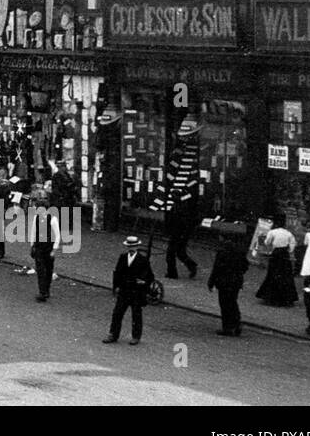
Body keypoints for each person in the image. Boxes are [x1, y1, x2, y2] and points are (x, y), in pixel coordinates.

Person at [160, 117, 200, 280]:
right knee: (180, 250)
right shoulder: (184, 204)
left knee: (172, 251)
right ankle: (191, 265)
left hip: (179, 228)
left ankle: (172, 273)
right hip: (185, 227)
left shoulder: (178, 207)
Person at [103, 235, 155, 345]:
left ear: (137, 247)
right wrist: (115, 287)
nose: (132, 248)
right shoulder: (122, 257)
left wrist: (144, 282)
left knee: (136, 314)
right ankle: (113, 334)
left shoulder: (143, 260)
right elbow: (117, 273)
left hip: (136, 292)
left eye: (134, 246)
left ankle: (136, 336)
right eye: (130, 246)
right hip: (124, 290)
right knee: (117, 313)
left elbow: (150, 277)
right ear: (127, 247)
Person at [208, 235, 249, 336]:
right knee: (233, 302)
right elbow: (245, 265)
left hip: (223, 282)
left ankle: (227, 327)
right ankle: (237, 323)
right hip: (236, 281)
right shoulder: (240, 252)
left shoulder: (222, 252)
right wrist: (239, 273)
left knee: (225, 305)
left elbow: (216, 268)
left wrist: (211, 282)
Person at [255, 215, 298, 306]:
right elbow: (293, 245)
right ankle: (286, 298)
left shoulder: (272, 232)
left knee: (273, 274)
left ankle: (271, 297)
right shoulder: (288, 233)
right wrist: (289, 250)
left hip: (276, 254)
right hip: (284, 255)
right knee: (286, 276)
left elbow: (267, 242)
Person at [30, 195, 61, 302]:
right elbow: (33, 232)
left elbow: (57, 235)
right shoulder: (36, 218)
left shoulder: (52, 219)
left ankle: (46, 290)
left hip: (49, 247)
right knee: (40, 270)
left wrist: (54, 250)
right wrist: (32, 245)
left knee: (48, 270)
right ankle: (42, 292)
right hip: (39, 246)